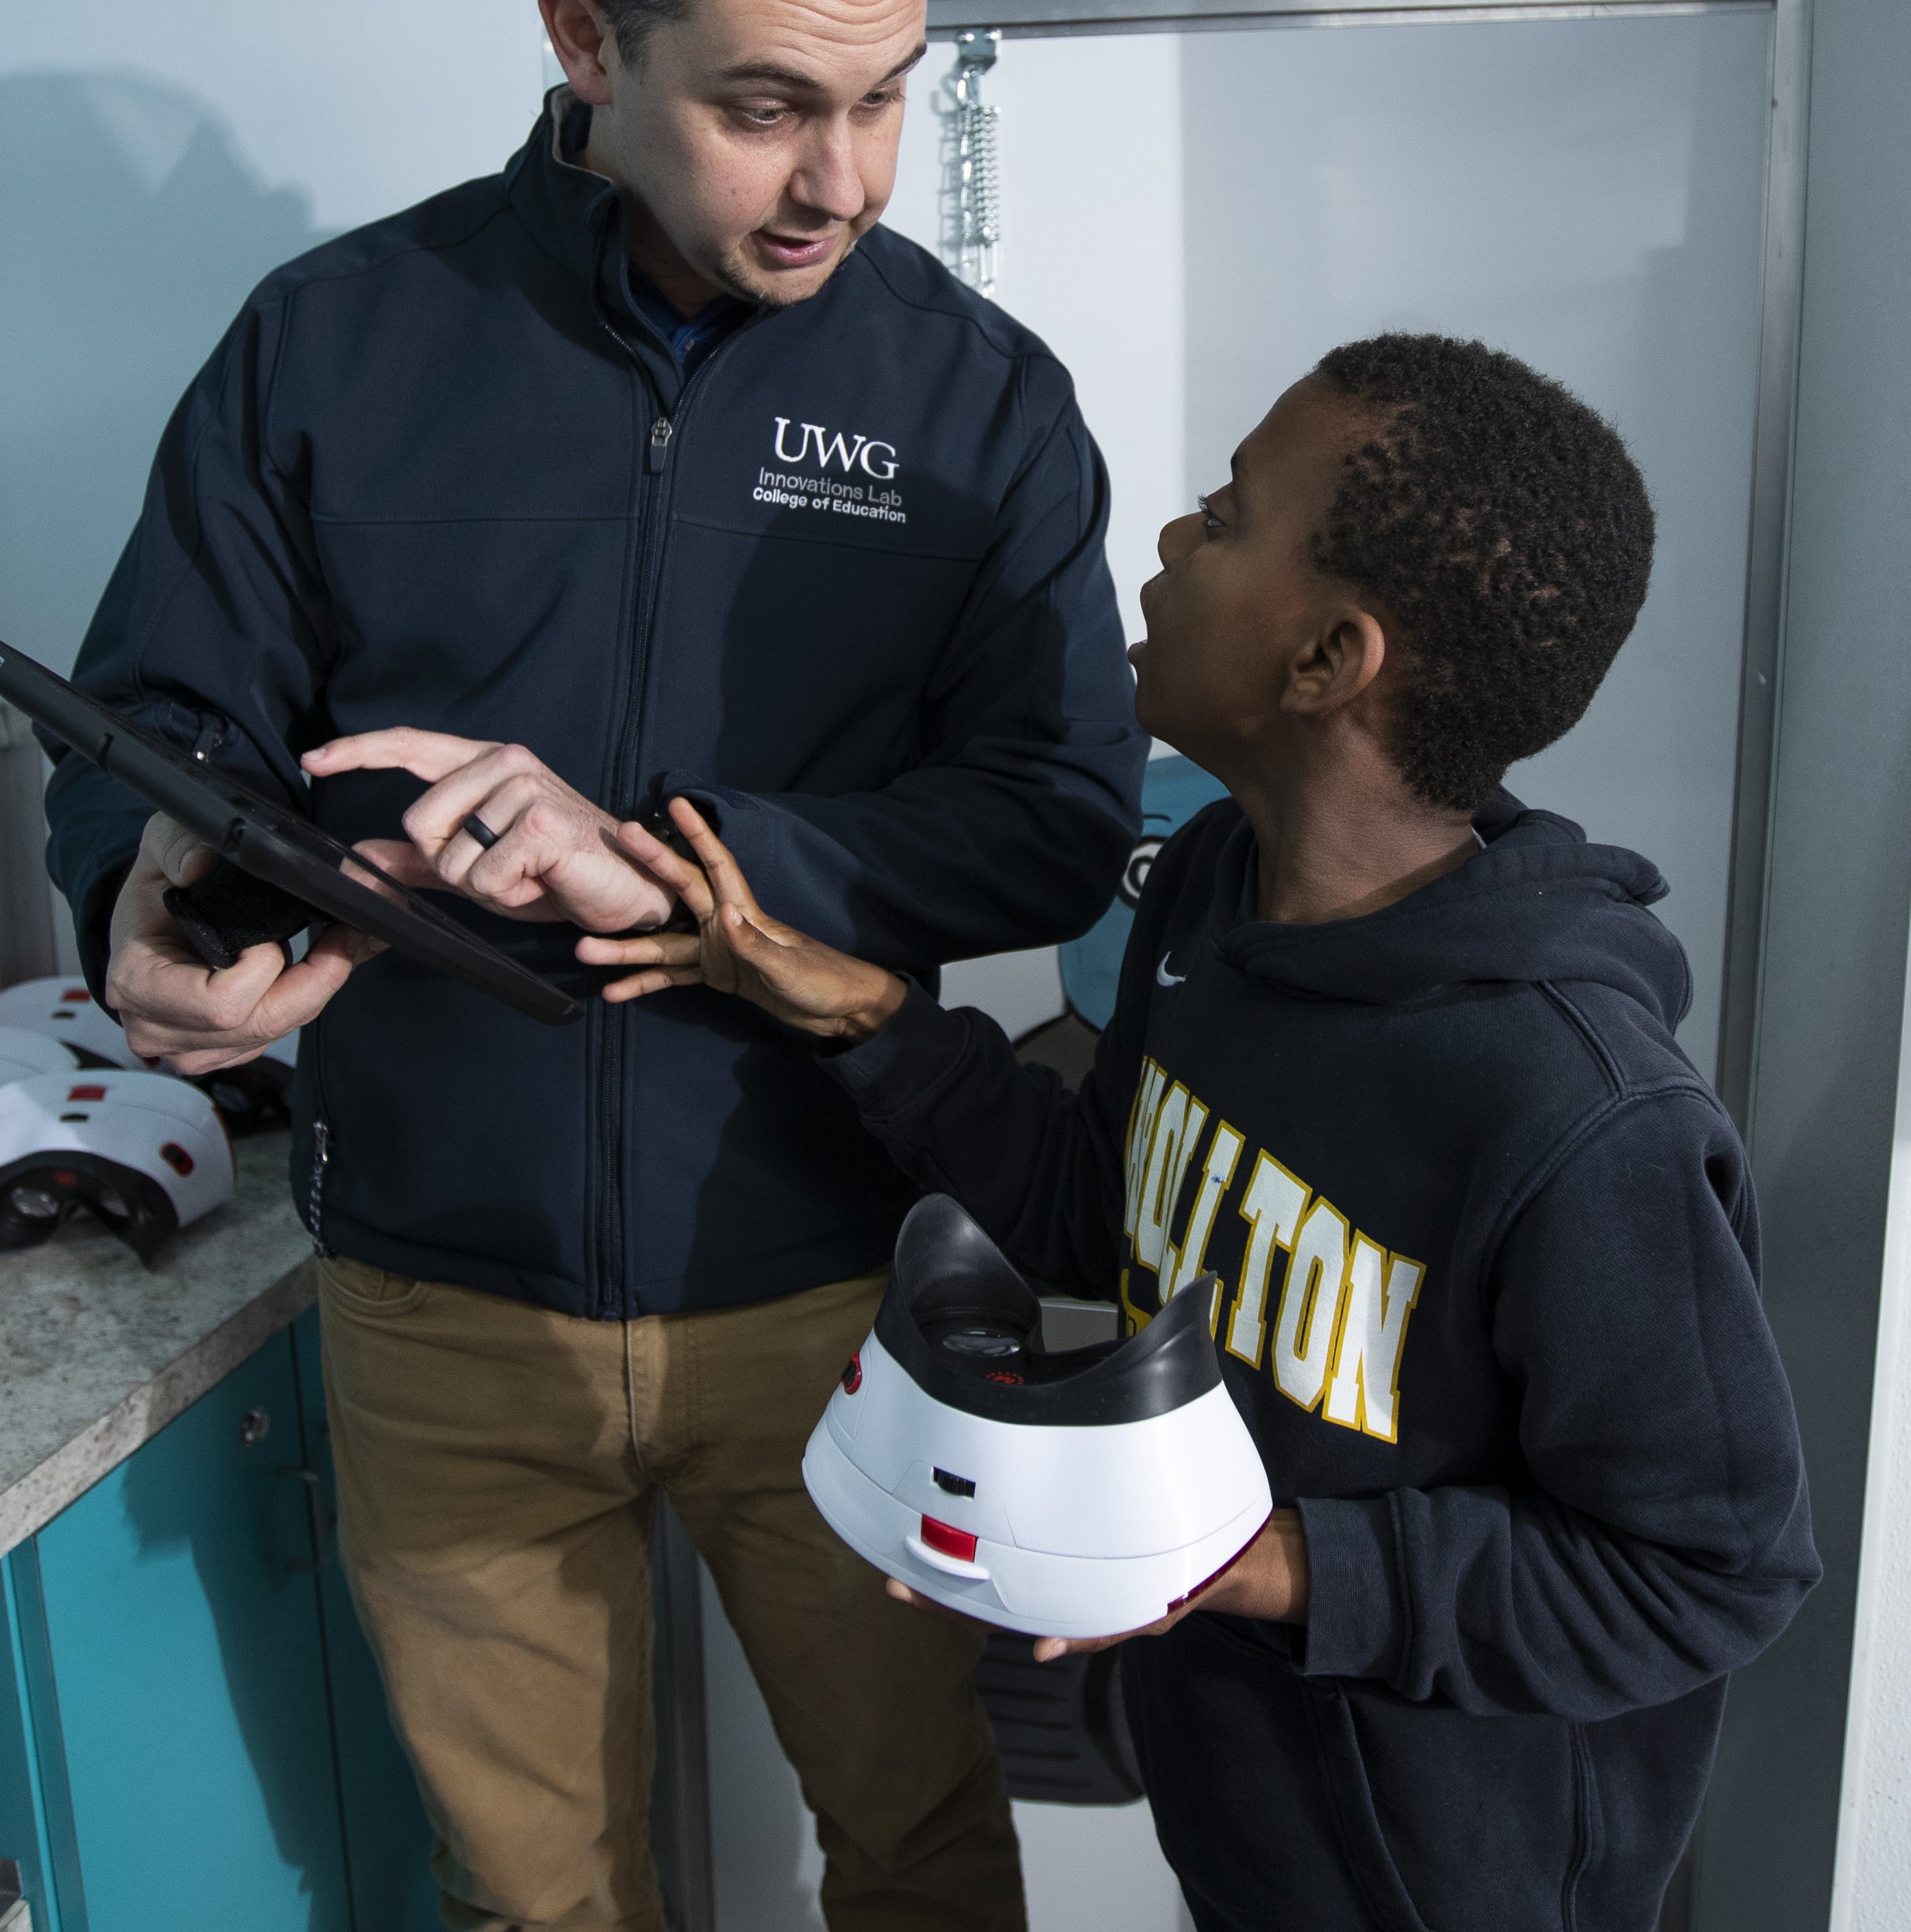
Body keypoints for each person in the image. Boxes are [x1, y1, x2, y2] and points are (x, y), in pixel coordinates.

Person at [43, 0, 1145, 1932]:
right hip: (436, 1297)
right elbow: (160, 711)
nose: (839, 174)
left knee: (923, 1849)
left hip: (832, 1277)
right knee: (532, 1892)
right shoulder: (326, 345)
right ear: (580, 32)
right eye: (763, 105)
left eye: (879, 91)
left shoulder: (972, 400)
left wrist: (686, 868)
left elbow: (1046, 816)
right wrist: (135, 894)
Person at [584, 333, 1823, 1932]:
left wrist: (1256, 1564)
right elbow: (1112, 1217)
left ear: (1325, 661)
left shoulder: (1573, 1107)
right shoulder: (1203, 896)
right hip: (1243, 1805)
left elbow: (1713, 1571)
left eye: (1223, 517)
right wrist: (862, 1016)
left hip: (1456, 1881)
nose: (1169, 545)